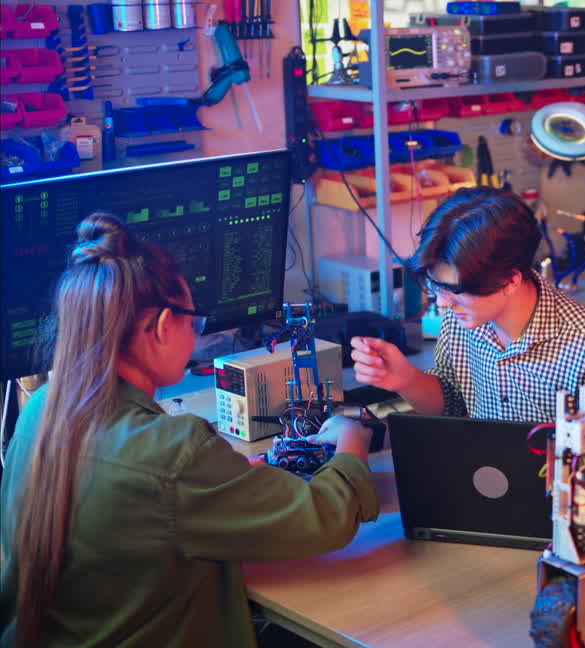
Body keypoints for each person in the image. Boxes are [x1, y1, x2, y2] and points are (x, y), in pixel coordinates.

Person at [0, 213, 378, 648]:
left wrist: (220, 484)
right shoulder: (173, 453)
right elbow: (326, 517)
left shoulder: (40, 411)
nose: (197, 335)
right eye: (193, 322)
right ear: (164, 326)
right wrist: (351, 440)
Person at [350, 187, 585, 495]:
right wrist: (406, 380)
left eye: (455, 291)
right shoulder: (463, 321)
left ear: (510, 279)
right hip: (490, 497)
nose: (443, 303)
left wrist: (560, 460)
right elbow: (452, 403)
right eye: (435, 286)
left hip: (577, 513)